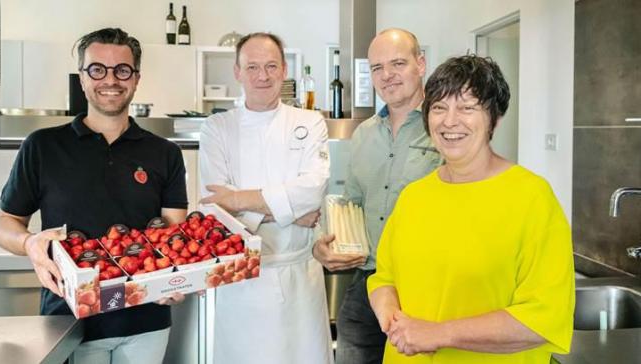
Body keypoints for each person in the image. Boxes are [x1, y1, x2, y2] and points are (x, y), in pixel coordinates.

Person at [0, 28, 188, 364]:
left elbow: (174, 235)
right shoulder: (42, 146)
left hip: (147, 320)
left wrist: (176, 277)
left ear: (136, 78)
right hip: (70, 320)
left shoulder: (165, 153)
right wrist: (29, 244)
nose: (110, 80)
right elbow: (5, 223)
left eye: (122, 70)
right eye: (97, 69)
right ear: (82, 78)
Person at [368, 55, 575, 363]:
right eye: (439, 108)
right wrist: (392, 320)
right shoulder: (413, 196)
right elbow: (384, 278)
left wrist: (437, 333)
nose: (450, 121)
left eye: (467, 107)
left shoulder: (532, 197)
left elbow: (543, 318)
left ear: (495, 118)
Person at [198, 32, 333, 364]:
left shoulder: (310, 121)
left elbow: (313, 191)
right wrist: (292, 211)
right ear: (237, 72)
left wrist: (240, 199)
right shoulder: (217, 128)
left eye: (271, 66)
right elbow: (217, 209)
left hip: (300, 276)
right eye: (253, 66)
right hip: (242, 281)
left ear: (284, 70)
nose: (263, 76)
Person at [312, 28, 442, 364]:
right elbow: (351, 204)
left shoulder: (444, 128)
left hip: (426, 285)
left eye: (398, 63)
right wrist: (329, 245)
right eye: (377, 68)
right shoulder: (364, 134)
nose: (387, 76)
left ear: (421, 63)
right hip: (365, 285)